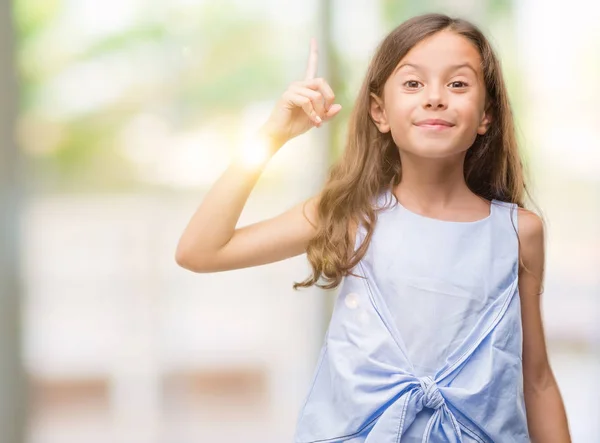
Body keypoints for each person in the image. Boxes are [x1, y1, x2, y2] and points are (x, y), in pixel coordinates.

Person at [175, 13, 571, 443]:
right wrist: (272, 136)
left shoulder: (519, 233)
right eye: (413, 84)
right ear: (380, 111)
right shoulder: (350, 216)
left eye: (457, 84)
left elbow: (537, 380)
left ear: (485, 116)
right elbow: (199, 251)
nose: (435, 98)